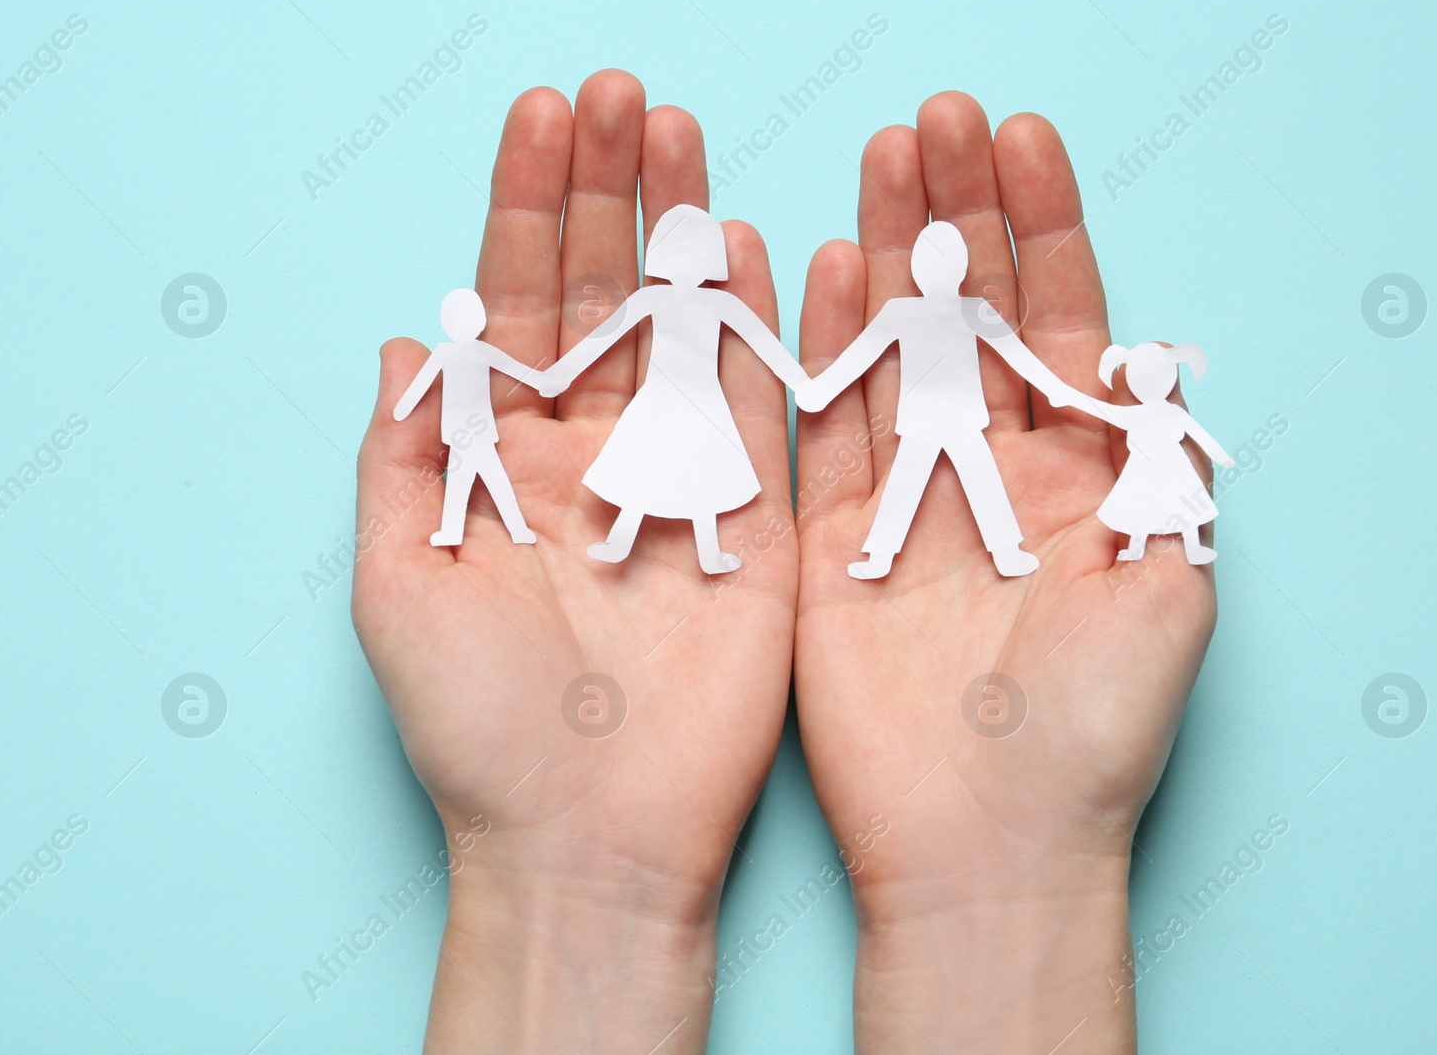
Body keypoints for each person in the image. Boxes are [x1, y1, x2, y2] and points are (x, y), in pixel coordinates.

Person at [354, 70, 1221, 1053]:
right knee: (694, 483)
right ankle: (858, 539)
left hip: (946, 418)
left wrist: (1014, 876)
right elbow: (837, 357)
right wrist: (560, 869)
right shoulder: (688, 309)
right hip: (845, 415)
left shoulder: (933, 315)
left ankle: (859, 539)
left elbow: (955, 362)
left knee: (803, 488)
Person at [798, 220, 1086, 579]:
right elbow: (862, 354)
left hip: (948, 416)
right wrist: (822, 389)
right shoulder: (924, 310)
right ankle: (895, 557)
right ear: (961, 268)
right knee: (937, 480)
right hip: (936, 417)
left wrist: (1052, 386)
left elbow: (1014, 353)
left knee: (954, 478)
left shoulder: (958, 309)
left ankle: (893, 557)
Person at [535, 202, 811, 574]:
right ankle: (621, 541)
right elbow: (605, 336)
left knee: (701, 467)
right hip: (660, 395)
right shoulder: (653, 298)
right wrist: (562, 372)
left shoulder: (719, 303)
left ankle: (708, 554)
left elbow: (762, 341)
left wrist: (801, 383)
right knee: (645, 460)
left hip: (701, 398)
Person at [392, 288, 542, 546]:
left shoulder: (482, 351)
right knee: (468, 483)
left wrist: (543, 381)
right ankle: (482, 531)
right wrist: (402, 408)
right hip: (460, 433)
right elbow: (421, 383)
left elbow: (517, 370)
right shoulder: (445, 352)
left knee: (490, 481)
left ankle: (515, 531)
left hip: (478, 431)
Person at [1087, 342, 1237, 564]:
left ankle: (1193, 549)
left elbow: (1200, 435)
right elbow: (1106, 412)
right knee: (1141, 505)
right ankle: (1137, 549)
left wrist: (1221, 456)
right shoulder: (1135, 414)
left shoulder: (1172, 413)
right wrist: (1070, 398)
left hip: (1172, 465)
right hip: (1145, 466)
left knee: (1184, 505)